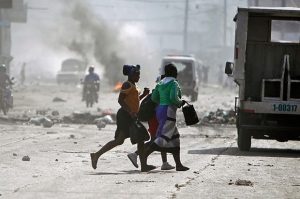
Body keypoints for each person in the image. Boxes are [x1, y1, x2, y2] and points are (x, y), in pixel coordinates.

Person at [90, 64, 156, 172]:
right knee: (123, 140)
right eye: (137, 74)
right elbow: (120, 100)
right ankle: (96, 155)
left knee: (138, 139)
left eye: (139, 75)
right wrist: (130, 111)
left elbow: (134, 101)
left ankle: (144, 166)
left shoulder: (133, 85)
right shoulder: (126, 84)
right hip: (125, 115)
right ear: (131, 75)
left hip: (132, 115)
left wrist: (143, 95)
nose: (139, 77)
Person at [142, 63, 189, 171]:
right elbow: (173, 97)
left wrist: (162, 103)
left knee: (175, 138)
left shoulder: (160, 83)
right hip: (169, 111)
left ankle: (178, 164)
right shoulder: (174, 83)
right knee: (163, 138)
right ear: (174, 73)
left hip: (160, 111)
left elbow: (154, 98)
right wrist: (180, 102)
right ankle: (143, 156)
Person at [127, 75, 175, 170]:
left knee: (159, 140)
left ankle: (164, 163)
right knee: (157, 140)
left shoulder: (158, 91)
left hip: (154, 119)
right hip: (155, 119)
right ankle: (136, 154)